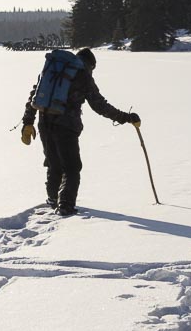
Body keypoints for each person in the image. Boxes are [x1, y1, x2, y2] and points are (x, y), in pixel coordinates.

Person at [20, 48, 140, 215]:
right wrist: (126, 117)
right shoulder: (83, 75)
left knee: (54, 163)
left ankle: (53, 199)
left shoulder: (53, 70)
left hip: (45, 122)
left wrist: (28, 122)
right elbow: (99, 105)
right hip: (66, 126)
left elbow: (34, 97)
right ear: (90, 64)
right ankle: (65, 206)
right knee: (72, 167)